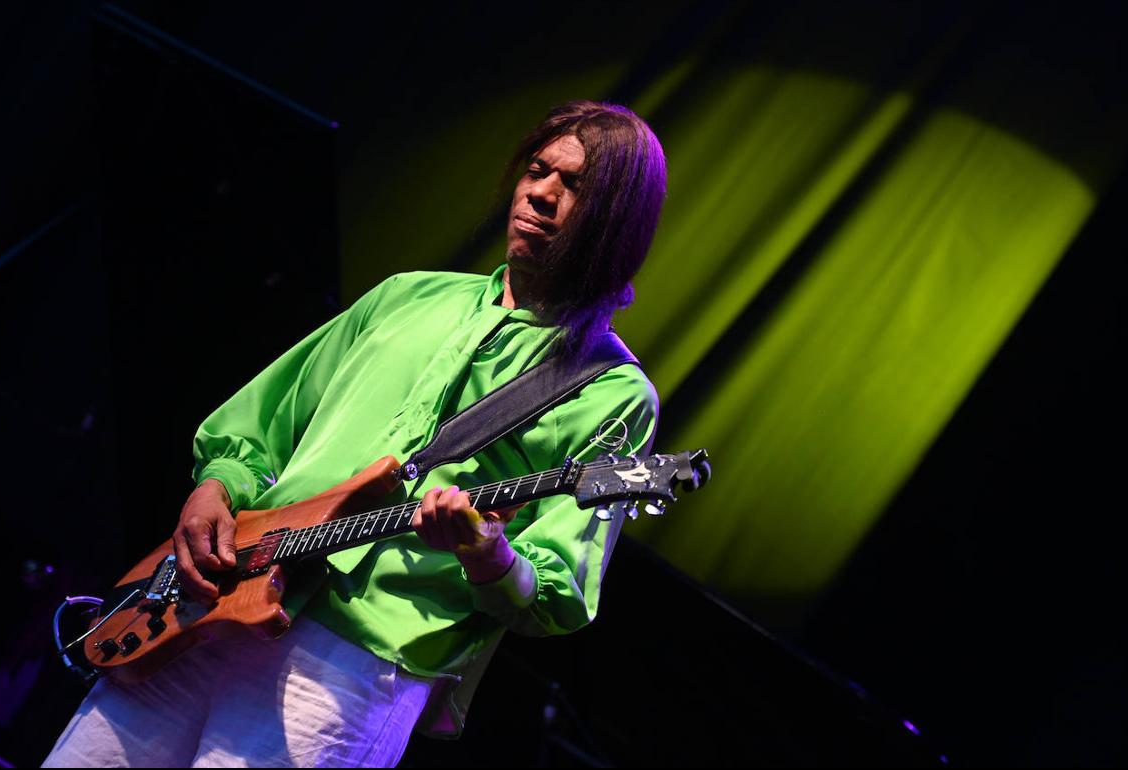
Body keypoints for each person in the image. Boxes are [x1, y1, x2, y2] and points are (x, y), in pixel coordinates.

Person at [42, 99, 667, 768]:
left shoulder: (612, 393)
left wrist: (487, 554)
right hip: (209, 604)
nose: (541, 194)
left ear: (614, 226)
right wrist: (212, 491)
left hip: (345, 670)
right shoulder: (408, 296)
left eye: (573, 187)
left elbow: (559, 591)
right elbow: (259, 423)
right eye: (539, 170)